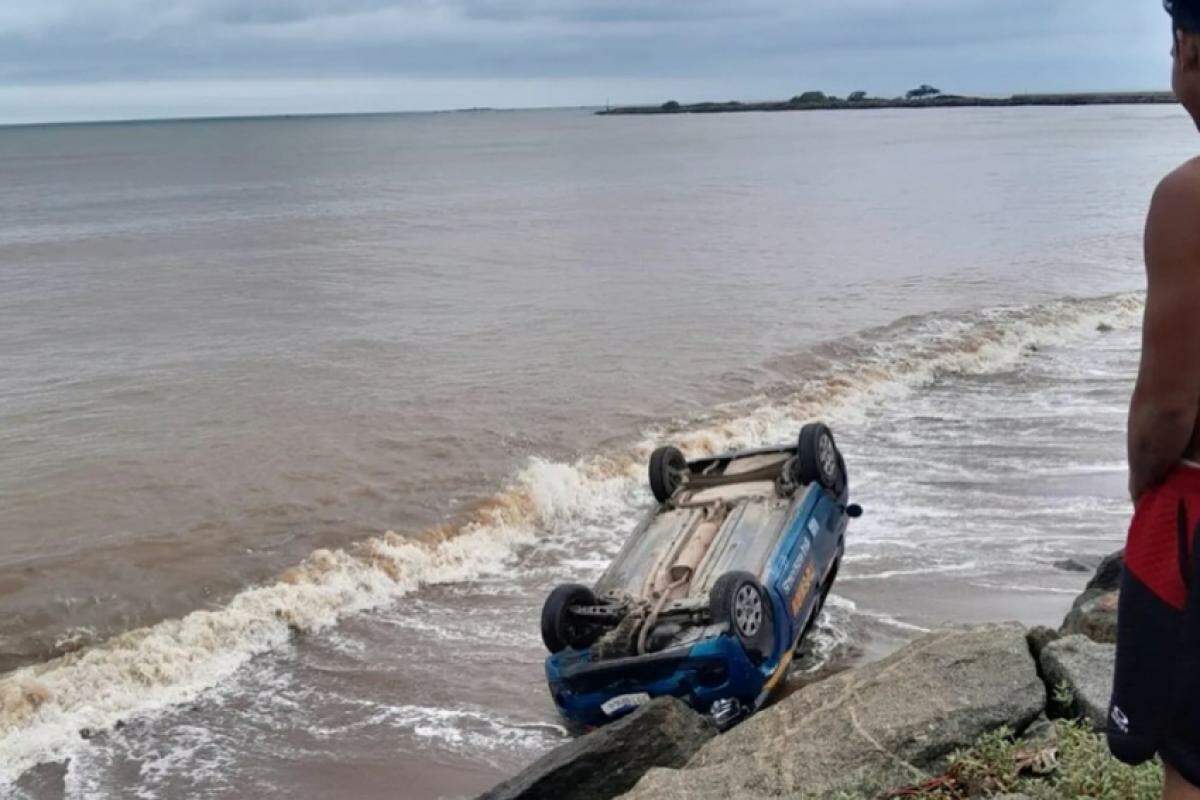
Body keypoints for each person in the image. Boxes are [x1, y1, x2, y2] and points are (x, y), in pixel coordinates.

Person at [1108, 3, 1200, 797]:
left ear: (1189, 48)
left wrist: (1143, 484)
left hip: (1198, 508)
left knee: (1191, 753)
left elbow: (1166, 411)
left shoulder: (1190, 196)